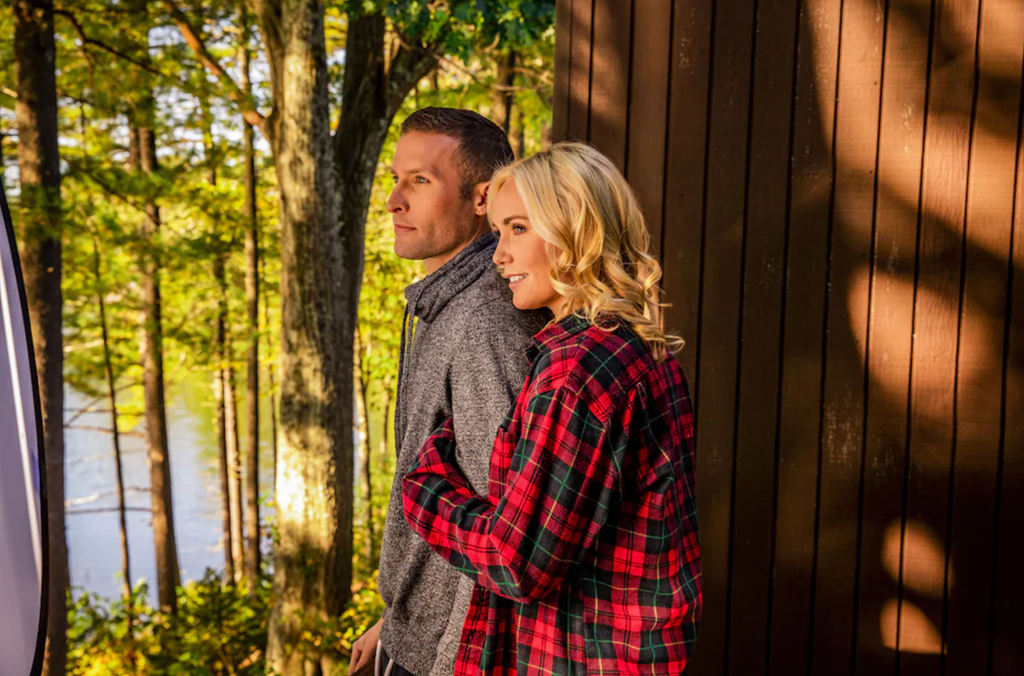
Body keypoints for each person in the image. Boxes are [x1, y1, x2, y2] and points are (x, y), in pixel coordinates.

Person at [401, 142, 702, 675]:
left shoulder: (575, 373)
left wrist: (424, 487)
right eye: (499, 232)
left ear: (577, 231)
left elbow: (516, 562)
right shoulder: (633, 346)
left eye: (518, 229)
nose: (498, 255)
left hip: (587, 658)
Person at [347, 108, 548, 676]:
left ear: (481, 198)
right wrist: (395, 616)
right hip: (415, 630)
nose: (394, 201)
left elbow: (502, 531)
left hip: (446, 653)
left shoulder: (485, 322)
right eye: (395, 179)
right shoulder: (446, 304)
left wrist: (441, 657)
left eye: (420, 180)